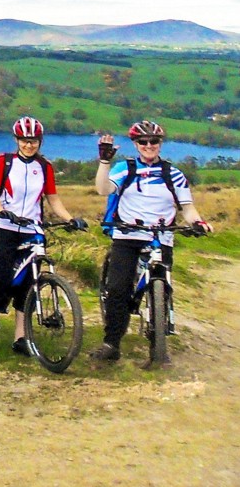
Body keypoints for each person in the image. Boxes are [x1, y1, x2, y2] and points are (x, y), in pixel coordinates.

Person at [90, 120, 211, 365]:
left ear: (160, 144)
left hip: (160, 236)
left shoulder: (172, 173)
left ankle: (159, 348)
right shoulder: (125, 168)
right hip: (127, 236)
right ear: (135, 144)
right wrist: (104, 162)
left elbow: (187, 208)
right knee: (118, 289)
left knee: (162, 289)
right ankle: (111, 343)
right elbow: (103, 190)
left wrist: (197, 223)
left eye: (154, 141)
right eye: (143, 142)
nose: (148, 145)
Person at [0, 117, 86, 362]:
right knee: (0, 286)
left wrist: (70, 219)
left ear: (39, 141)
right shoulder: (3, 162)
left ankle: (20, 339)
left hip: (33, 230)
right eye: (25, 140)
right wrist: (1, 210)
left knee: (27, 288)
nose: (29, 145)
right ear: (17, 140)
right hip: (5, 228)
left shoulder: (45, 167)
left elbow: (52, 199)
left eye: (33, 140)